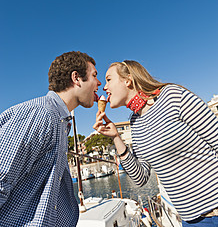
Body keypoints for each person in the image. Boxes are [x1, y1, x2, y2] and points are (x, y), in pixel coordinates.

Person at [94, 60, 218, 227]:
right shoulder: (135, 122)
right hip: (191, 219)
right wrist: (116, 138)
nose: (104, 87)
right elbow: (141, 177)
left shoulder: (172, 96)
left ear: (127, 80)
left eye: (109, 79)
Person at [0, 51, 101, 227]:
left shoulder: (59, 122)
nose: (99, 83)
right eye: (94, 75)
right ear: (76, 78)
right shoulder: (42, 114)